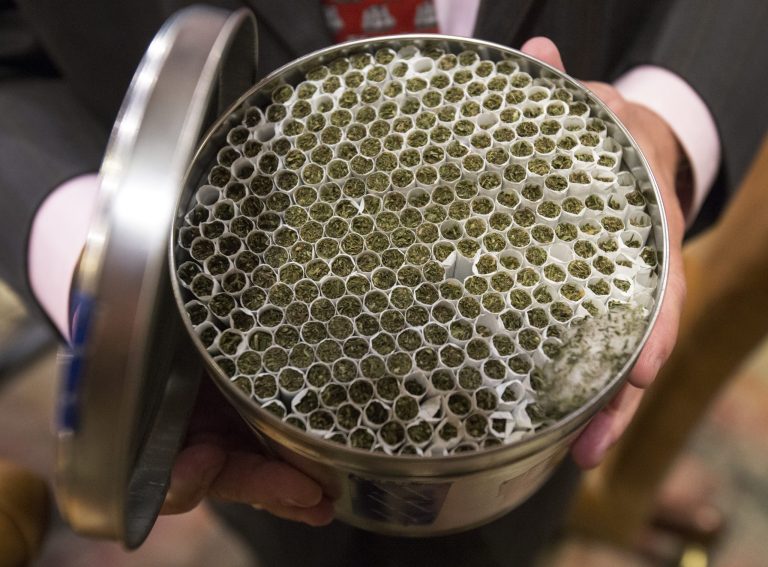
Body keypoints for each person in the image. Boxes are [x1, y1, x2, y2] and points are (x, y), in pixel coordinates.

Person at [1, 0, 766, 565]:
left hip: (544, 380)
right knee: (296, 530)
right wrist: (118, 289)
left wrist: (665, 123)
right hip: (244, 392)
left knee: (516, 521)